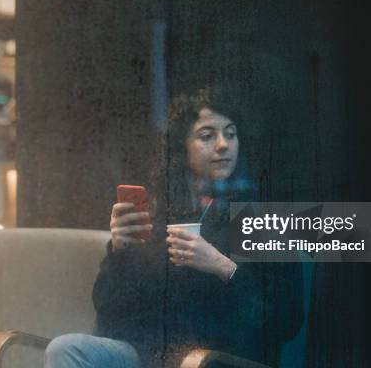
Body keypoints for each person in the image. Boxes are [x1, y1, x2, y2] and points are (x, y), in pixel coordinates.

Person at [45, 88, 303, 368]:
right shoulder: (161, 214)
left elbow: (286, 322)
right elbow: (110, 314)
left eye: (230, 133)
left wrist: (221, 266)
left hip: (220, 360)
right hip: (150, 356)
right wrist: (119, 251)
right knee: (67, 348)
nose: (223, 145)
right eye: (207, 135)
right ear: (182, 146)